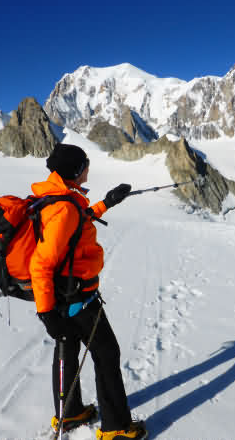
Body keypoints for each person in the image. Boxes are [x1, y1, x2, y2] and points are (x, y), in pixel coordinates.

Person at [30, 143, 146, 439]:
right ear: (75, 171)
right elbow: (41, 263)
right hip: (77, 298)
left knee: (67, 350)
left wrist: (106, 203)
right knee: (107, 354)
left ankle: (70, 414)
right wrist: (45, 313)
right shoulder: (65, 207)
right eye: (85, 165)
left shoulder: (60, 199)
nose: (88, 169)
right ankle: (116, 428)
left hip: (62, 296)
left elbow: (77, 224)